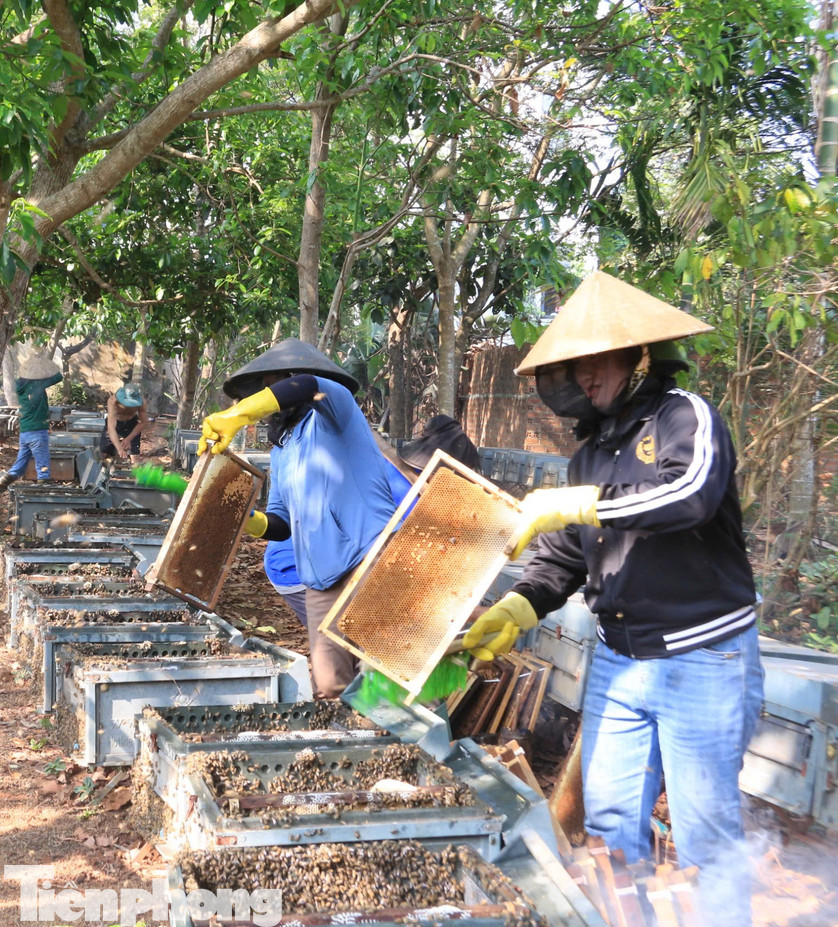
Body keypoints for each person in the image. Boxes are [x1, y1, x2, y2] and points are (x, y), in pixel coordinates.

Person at [462, 271, 763, 927]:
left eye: (594, 358)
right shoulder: (589, 454)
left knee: (707, 835)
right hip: (621, 661)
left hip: (703, 658)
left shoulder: (687, 417)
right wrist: (520, 606)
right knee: (610, 822)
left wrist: (578, 503)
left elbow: (689, 494)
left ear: (640, 354)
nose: (583, 375)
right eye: (574, 364)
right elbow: (570, 548)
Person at [200, 338, 413, 698]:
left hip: (370, 559)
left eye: (273, 388)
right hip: (321, 579)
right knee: (330, 684)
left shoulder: (336, 412)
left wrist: (236, 416)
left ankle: (427, 745)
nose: (269, 401)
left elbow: (307, 388)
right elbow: (281, 523)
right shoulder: (283, 450)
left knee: (389, 678)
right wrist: (245, 518)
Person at [0, 346, 63, 504]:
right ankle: (43, 505)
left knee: (18, 468)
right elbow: (58, 377)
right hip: (37, 432)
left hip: (25, 432)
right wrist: (43, 364)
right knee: (43, 471)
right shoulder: (37, 385)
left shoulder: (20, 386)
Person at [101, 383, 147, 463]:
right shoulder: (113, 401)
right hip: (116, 423)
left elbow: (143, 422)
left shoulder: (142, 402)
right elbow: (111, 428)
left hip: (131, 424)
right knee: (104, 452)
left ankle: (134, 473)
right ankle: (103, 470)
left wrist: (129, 438)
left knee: (134, 454)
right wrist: (119, 448)